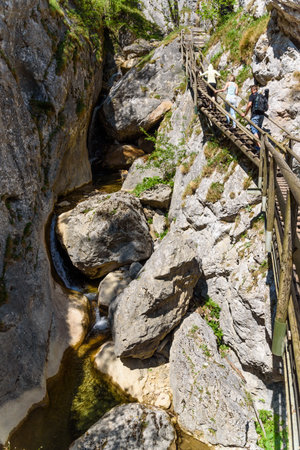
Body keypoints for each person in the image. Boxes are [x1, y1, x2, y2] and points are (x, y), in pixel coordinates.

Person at [241, 85, 264, 149]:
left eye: (251, 90)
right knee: (258, 129)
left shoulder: (252, 96)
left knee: (254, 130)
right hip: (262, 115)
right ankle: (257, 146)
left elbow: (249, 105)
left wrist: (245, 113)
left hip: (255, 115)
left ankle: (260, 147)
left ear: (253, 90)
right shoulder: (261, 96)